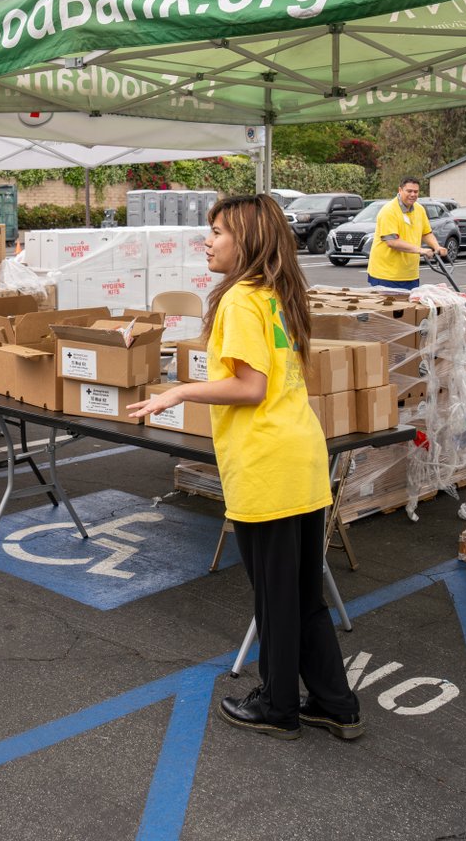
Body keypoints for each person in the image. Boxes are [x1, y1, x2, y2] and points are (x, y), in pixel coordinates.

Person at [127, 194, 362, 741]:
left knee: (276, 598)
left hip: (267, 463)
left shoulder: (239, 300)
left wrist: (178, 391)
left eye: (217, 232)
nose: (207, 241)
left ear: (248, 240)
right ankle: (335, 704)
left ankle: (278, 706)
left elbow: (249, 387)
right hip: (300, 457)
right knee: (301, 595)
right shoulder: (277, 294)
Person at [366, 176, 449, 290]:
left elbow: (426, 233)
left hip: (410, 274)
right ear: (400, 190)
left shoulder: (419, 209)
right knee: (390, 302)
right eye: (409, 191)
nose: (413, 194)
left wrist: (436, 247)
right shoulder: (389, 211)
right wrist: (421, 250)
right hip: (386, 274)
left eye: (416, 191)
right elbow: (392, 242)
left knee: (410, 302)